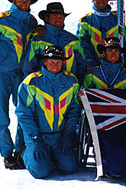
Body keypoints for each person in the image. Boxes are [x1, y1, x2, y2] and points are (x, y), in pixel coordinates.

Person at [0, 0, 39, 169]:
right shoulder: (1, 20)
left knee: (24, 113)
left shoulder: (31, 22)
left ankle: (20, 151)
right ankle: (7, 154)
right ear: (14, 0)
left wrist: (40, 30)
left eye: (28, 0)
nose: (24, 2)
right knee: (2, 115)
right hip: (0, 74)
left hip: (22, 75)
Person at [15, 45, 81, 179]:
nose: (55, 66)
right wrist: (35, 138)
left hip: (60, 136)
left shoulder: (72, 81)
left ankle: (52, 155)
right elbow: (23, 114)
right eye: (51, 62)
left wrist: (68, 134)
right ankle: (25, 152)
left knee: (70, 168)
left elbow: (74, 111)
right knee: (40, 172)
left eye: (58, 62)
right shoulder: (31, 82)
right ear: (44, 62)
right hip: (38, 136)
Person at [23, 2, 87, 83]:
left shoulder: (73, 40)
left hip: (69, 88)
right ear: (46, 18)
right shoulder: (37, 39)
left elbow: (82, 66)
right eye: (55, 16)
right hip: (43, 88)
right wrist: (30, 86)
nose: (59, 19)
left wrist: (79, 85)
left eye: (61, 17)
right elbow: (29, 67)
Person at [77, 0, 126, 69]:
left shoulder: (118, 21)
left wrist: (125, 66)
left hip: (115, 67)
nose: (101, 0)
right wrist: (91, 63)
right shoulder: (85, 21)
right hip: (92, 69)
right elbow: (82, 46)